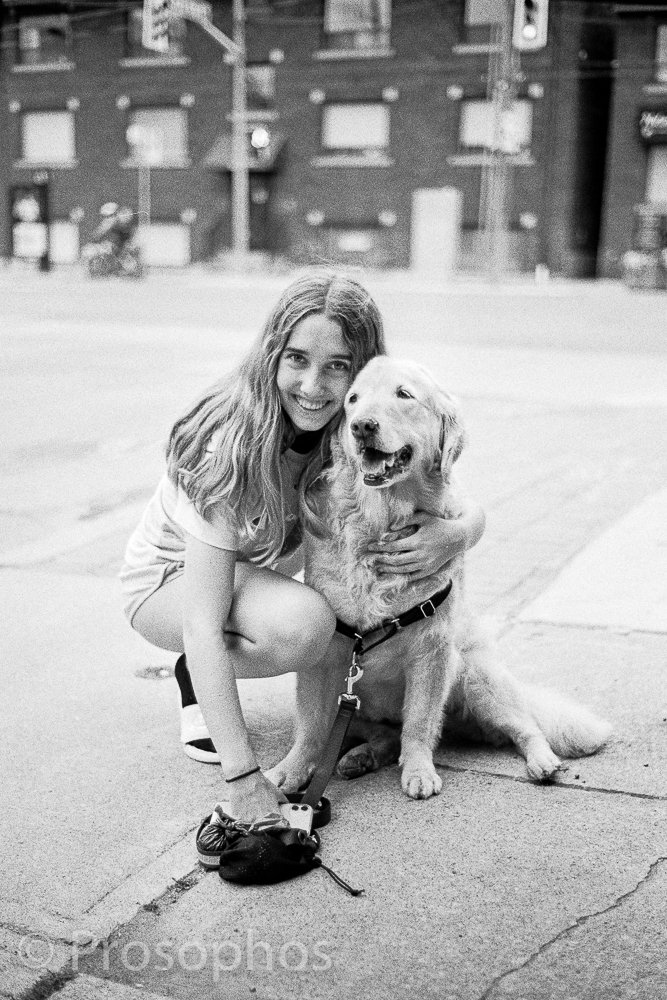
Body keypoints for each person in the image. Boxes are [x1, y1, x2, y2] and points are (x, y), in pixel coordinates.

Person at [120, 270, 485, 828]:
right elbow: (200, 620)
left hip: (250, 573)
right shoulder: (230, 445)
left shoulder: (351, 428)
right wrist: (245, 780)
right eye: (297, 359)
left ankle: (215, 667)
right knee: (307, 625)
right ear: (272, 355)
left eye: (337, 366)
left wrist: (459, 533)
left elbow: (452, 493)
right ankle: (197, 675)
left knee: (306, 619)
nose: (314, 386)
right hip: (166, 582)